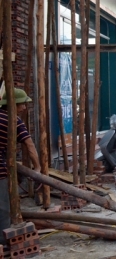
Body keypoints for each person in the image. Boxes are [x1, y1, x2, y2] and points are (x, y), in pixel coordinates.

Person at [0, 88, 41, 246]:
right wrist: (37, 168)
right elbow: (29, 145)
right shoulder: (14, 120)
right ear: (14, 104)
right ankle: (4, 243)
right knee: (3, 207)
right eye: (22, 104)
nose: (24, 107)